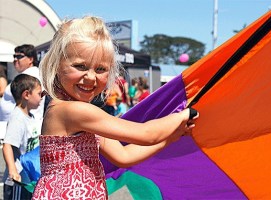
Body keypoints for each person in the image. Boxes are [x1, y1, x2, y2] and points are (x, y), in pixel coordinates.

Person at [31, 16, 198, 199]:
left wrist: (171, 137)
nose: (90, 77)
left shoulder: (80, 116)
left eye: (100, 69)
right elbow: (146, 134)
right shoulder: (72, 111)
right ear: (56, 66)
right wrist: (183, 114)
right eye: (80, 66)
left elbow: (124, 156)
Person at [2, 74, 42, 200]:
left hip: (27, 179)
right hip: (17, 181)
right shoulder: (18, 118)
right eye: (39, 94)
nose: (41, 98)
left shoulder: (30, 116)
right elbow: (7, 145)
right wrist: (13, 170)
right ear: (26, 95)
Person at [0, 44, 45, 122]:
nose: (15, 59)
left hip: (20, 126)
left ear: (31, 59)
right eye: (14, 56)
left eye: (19, 57)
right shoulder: (26, 75)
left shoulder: (31, 76)